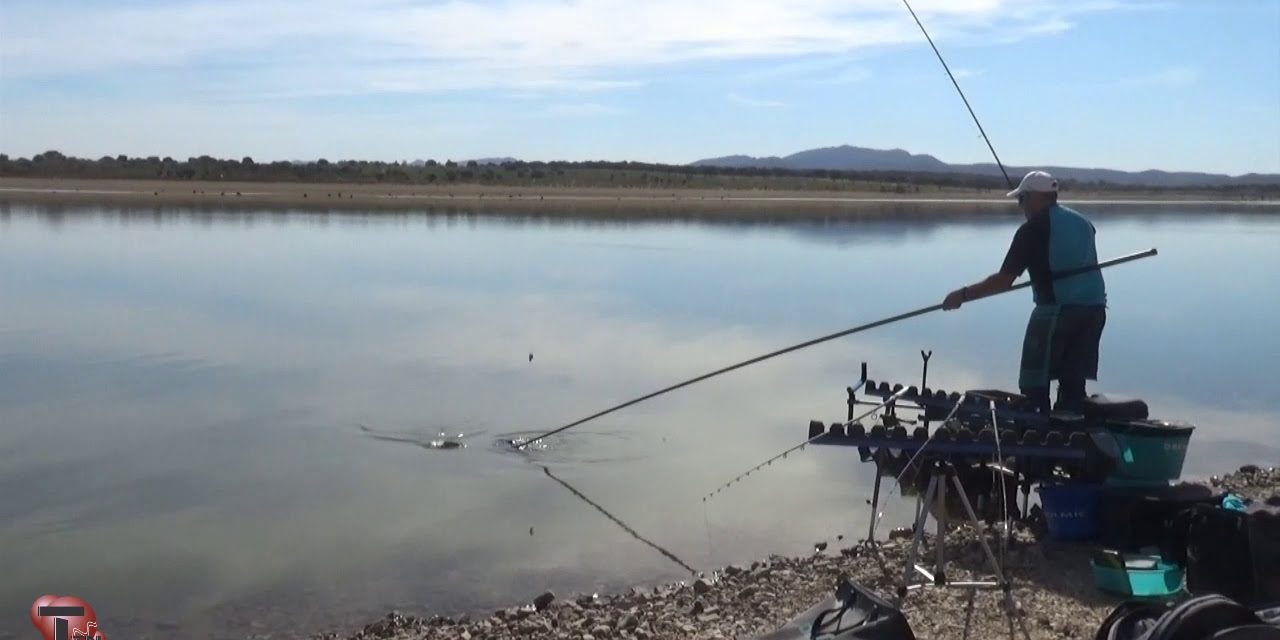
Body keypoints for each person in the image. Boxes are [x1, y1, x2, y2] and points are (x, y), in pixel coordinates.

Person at [941, 170, 1106, 414]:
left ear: (1036, 197)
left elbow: (1003, 281)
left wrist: (961, 295)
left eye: (1022, 199)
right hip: (1094, 311)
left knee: (1034, 382)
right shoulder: (1083, 222)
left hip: (1056, 312)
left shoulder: (1032, 230)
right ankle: (1070, 430)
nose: (1021, 206)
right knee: (1073, 382)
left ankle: (1036, 429)